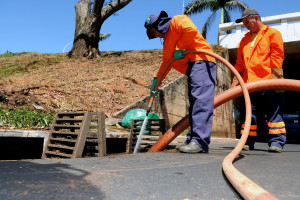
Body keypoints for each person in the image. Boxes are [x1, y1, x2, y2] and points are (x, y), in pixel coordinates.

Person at [144, 11, 216, 153]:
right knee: (195, 103)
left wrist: (182, 49)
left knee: (201, 101)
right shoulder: (167, 43)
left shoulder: (177, 21)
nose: (156, 35)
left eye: (154, 32)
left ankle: (200, 142)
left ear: (158, 26)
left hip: (202, 61)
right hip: (193, 67)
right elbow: (166, 64)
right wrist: (156, 83)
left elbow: (190, 30)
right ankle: (193, 138)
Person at [232, 8, 286, 153]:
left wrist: (277, 80)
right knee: (250, 114)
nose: (245, 25)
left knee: (274, 113)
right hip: (250, 84)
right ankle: (247, 141)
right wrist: (235, 83)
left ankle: (276, 142)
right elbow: (239, 64)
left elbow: (277, 57)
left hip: (269, 82)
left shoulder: (273, 34)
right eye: (243, 23)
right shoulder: (244, 40)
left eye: (247, 22)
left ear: (256, 18)